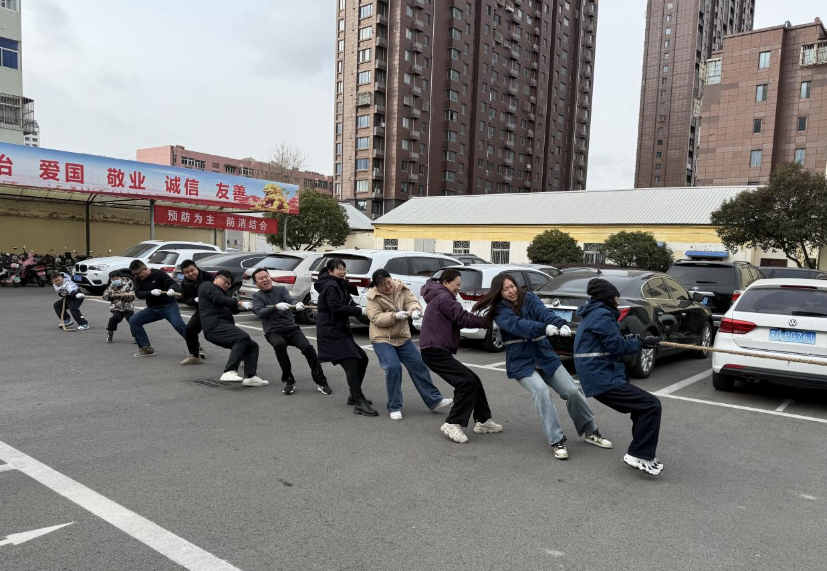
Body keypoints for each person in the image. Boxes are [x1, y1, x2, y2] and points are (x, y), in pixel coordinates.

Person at [472, 273, 613, 459]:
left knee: (573, 391)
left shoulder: (530, 298)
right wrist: (543, 328)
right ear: (499, 292)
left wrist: (560, 323)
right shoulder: (500, 311)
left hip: (544, 356)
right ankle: (557, 440)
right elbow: (518, 325)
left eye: (512, 286)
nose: (511, 291)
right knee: (541, 392)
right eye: (505, 289)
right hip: (521, 362)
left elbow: (545, 313)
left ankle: (591, 431)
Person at [574, 278, 664, 476]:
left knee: (642, 407)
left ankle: (640, 453)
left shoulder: (595, 313)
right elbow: (616, 347)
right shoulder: (602, 315)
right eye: (615, 297)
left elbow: (611, 342)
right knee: (651, 405)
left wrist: (639, 339)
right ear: (608, 298)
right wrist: (641, 343)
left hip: (600, 374)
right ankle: (639, 455)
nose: (618, 301)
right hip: (600, 377)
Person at [420, 269, 502, 443]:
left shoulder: (440, 296)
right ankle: (452, 423)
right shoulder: (444, 298)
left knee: (473, 380)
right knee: (466, 382)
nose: (459, 287)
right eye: (457, 284)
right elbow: (463, 318)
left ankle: (483, 421)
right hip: (434, 351)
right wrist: (488, 322)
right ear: (445, 283)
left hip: (435, 350)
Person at [366, 269, 452, 420]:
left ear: (391, 279)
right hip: (382, 338)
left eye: (388, 282)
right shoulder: (373, 297)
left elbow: (412, 301)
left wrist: (415, 310)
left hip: (402, 337)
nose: (388, 286)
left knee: (419, 365)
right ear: (377, 286)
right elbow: (376, 319)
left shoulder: (401, 288)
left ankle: (434, 400)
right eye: (383, 285)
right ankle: (394, 407)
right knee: (393, 367)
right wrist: (395, 316)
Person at [314, 258, 377, 416]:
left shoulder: (339, 284)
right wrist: (359, 311)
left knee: (362, 359)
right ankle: (359, 401)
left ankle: (354, 396)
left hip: (341, 330)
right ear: (330, 271)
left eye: (344, 268)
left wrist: (364, 310)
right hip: (330, 332)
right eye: (338, 269)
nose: (342, 271)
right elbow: (336, 308)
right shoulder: (330, 286)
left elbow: (349, 302)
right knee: (351, 364)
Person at [251, 267, 329, 395]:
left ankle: (321, 381)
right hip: (273, 331)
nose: (265, 280)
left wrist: (297, 305)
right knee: (279, 344)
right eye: (261, 278)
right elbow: (260, 312)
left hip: (291, 328)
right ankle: (289, 380)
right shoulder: (256, 297)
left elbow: (291, 301)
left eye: (266, 276)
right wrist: (276, 307)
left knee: (308, 348)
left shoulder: (281, 290)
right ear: (256, 283)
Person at [198, 270, 268, 387]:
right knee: (242, 337)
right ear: (217, 278)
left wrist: (246, 306)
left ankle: (250, 377)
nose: (227, 285)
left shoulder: (223, 294)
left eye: (229, 284)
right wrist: (239, 303)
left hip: (223, 326)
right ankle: (229, 371)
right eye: (225, 281)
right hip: (214, 326)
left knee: (252, 346)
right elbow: (219, 299)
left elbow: (232, 308)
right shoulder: (208, 286)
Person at [128, 259, 187, 357]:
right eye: (134, 274)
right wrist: (150, 292)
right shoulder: (137, 279)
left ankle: (196, 347)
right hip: (153, 308)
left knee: (179, 325)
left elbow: (173, 283)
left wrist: (172, 289)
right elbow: (138, 293)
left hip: (168, 306)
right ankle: (146, 348)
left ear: (145, 269)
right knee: (133, 320)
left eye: (138, 274)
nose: (137, 276)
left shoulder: (158, 274)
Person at [179, 259, 209, 365]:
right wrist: (194, 300)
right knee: (189, 330)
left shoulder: (208, 277)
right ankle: (195, 356)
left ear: (196, 268)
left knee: (221, 335)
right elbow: (184, 299)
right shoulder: (184, 284)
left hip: (217, 309)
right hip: (202, 310)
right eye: (186, 272)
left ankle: (244, 354)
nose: (190, 274)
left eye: (192, 270)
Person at [102, 270, 135, 343]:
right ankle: (110, 332)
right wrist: (111, 296)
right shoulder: (110, 287)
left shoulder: (127, 285)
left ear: (120, 277)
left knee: (133, 321)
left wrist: (124, 296)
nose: (115, 280)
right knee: (114, 318)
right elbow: (104, 297)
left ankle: (136, 336)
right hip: (117, 308)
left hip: (128, 308)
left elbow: (132, 296)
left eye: (116, 278)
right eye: (113, 279)